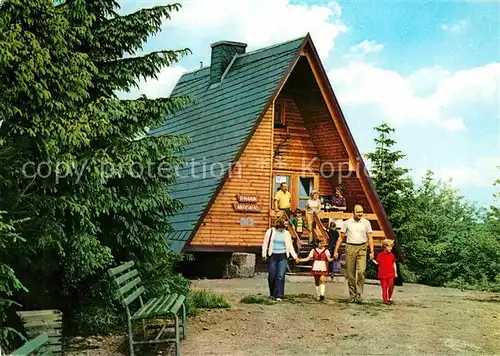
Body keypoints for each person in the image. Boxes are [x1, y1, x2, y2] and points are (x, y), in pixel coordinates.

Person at [333, 204, 374, 303]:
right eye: (358, 212)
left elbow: (370, 237)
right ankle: (352, 296)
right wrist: (336, 250)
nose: (360, 214)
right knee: (350, 274)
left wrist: (372, 251)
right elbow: (341, 237)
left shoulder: (366, 222)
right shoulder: (347, 223)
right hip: (350, 247)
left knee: (361, 272)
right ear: (353, 212)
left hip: (362, 248)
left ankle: (359, 295)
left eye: (361, 212)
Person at [262, 217, 299, 301]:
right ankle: (272, 293)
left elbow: (290, 246)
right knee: (272, 275)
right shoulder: (270, 231)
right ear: (277, 227)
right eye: (280, 228)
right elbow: (265, 243)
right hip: (272, 256)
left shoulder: (286, 233)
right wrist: (264, 254)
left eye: (283, 228)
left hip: (283, 256)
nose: (281, 230)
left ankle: (279, 295)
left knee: (280, 275)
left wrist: (295, 256)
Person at [372, 239, 398, 304]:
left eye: (391, 247)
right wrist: (372, 259)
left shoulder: (392, 255)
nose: (390, 248)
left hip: (390, 273)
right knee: (384, 287)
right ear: (384, 247)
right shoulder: (380, 255)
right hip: (382, 274)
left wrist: (395, 272)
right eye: (389, 247)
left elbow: (393, 263)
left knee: (391, 285)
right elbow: (377, 263)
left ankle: (390, 297)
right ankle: (385, 299)